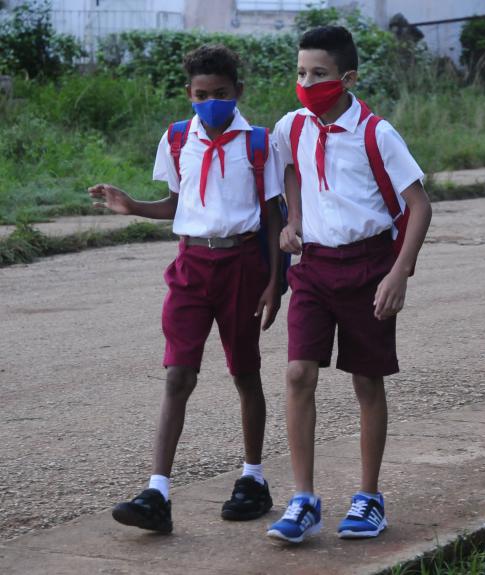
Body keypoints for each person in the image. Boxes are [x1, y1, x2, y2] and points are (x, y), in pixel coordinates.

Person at [88, 44, 283, 533]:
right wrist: (133, 205)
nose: (211, 102)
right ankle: (157, 492)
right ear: (189, 94)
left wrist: (276, 283)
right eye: (201, 94)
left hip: (243, 266)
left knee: (245, 372)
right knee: (178, 376)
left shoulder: (260, 143)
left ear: (238, 91)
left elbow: (275, 216)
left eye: (220, 93)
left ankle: (253, 478)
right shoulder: (177, 139)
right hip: (192, 263)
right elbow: (177, 205)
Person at [265, 25, 432, 543]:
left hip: (369, 267)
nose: (307, 82)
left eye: (319, 74)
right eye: (300, 73)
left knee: (366, 381)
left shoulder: (376, 133)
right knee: (297, 374)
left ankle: (368, 497)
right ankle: (303, 499)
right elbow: (290, 174)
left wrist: (399, 273)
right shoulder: (290, 127)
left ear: (348, 78)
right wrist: (291, 221)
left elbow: (420, 205)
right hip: (313, 267)